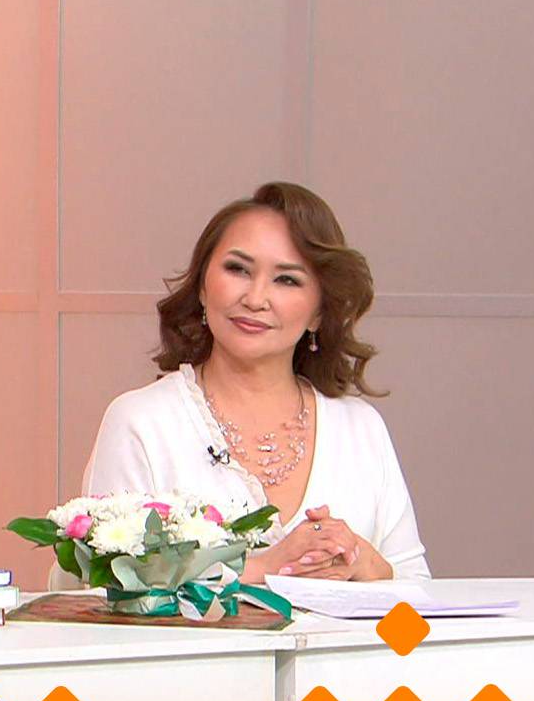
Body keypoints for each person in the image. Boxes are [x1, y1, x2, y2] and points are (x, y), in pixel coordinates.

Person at [80, 182, 428, 581]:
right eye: (238, 270)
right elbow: (105, 594)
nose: (256, 298)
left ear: (319, 312)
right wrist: (264, 569)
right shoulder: (141, 421)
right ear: (203, 287)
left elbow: (416, 614)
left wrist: (367, 566)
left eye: (287, 280)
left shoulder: (361, 428)